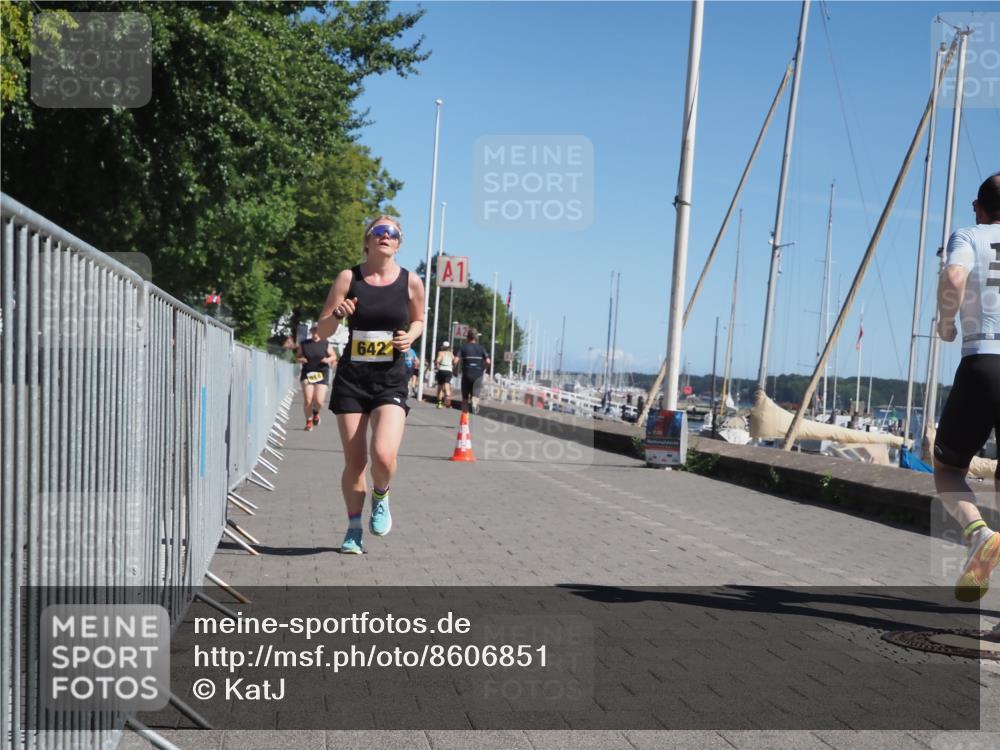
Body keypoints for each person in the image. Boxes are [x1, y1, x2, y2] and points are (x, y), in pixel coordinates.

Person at [315, 216, 425, 555]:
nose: (386, 236)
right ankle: (352, 529)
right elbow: (322, 331)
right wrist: (338, 314)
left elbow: (419, 319)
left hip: (390, 377)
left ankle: (381, 494)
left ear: (399, 243)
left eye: (393, 233)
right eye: (380, 231)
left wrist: (411, 335)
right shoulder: (349, 277)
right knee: (356, 461)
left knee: (383, 454)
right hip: (353, 379)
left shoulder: (411, 281)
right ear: (368, 239)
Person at [932, 173, 1000, 601]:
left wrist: (945, 322)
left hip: (984, 363)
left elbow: (954, 278)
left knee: (948, 469)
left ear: (979, 208)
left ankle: (978, 534)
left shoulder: (971, 235)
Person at [296, 325, 337, 430]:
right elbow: (298, 357)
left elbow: (333, 356)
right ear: (311, 332)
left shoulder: (325, 343)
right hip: (307, 373)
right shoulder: (304, 344)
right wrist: (301, 359)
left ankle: (316, 412)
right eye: (313, 331)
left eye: (317, 331)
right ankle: (308, 421)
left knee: (319, 401)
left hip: (321, 374)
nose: (315, 333)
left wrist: (328, 360)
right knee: (308, 399)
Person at [455, 328, 491, 414]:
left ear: (467, 337)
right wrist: (484, 368)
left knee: (465, 397)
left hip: (467, 373)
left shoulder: (463, 347)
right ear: (476, 338)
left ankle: (464, 413)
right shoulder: (481, 348)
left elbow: (455, 361)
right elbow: (488, 361)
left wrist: (454, 368)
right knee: (476, 394)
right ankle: (474, 404)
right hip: (478, 374)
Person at [434, 341, 455, 408]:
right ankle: (448, 402)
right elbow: (454, 361)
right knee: (447, 386)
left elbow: (437, 360)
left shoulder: (440, 353)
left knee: (440, 387)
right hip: (449, 370)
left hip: (442, 370)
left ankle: (439, 404)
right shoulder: (451, 354)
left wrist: (436, 363)